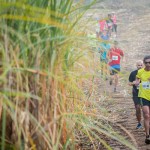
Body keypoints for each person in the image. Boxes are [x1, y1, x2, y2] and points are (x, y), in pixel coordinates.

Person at [135, 55, 150, 144]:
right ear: (144, 63)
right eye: (146, 63)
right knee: (147, 115)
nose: (148, 64)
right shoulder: (140, 72)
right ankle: (147, 135)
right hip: (144, 96)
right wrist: (136, 83)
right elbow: (137, 81)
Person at [128, 60, 143, 129]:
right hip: (136, 93)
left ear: (143, 65)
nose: (140, 66)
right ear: (136, 66)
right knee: (137, 108)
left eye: (141, 65)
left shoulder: (147, 73)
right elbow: (129, 83)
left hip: (145, 93)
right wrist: (134, 83)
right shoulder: (133, 73)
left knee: (146, 109)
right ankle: (139, 123)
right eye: (138, 65)